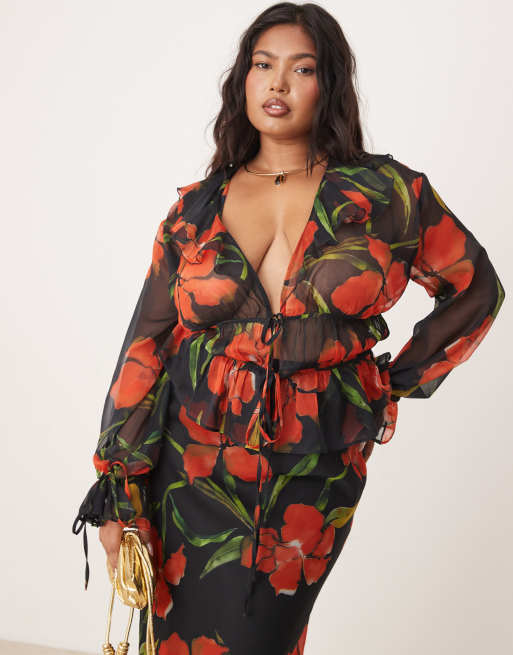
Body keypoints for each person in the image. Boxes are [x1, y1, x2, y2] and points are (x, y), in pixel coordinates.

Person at [72, 3, 505, 654]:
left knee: (264, 638)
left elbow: (475, 288)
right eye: (262, 65)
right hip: (189, 465)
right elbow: (147, 345)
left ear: (329, 84)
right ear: (242, 80)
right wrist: (119, 486)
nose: (277, 83)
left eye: (301, 69)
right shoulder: (195, 210)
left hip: (315, 466)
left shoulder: (387, 193)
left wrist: (390, 384)